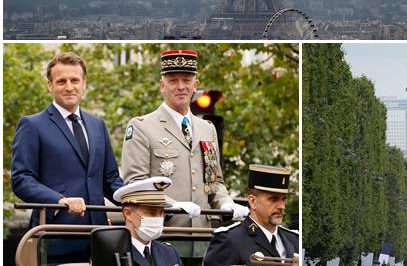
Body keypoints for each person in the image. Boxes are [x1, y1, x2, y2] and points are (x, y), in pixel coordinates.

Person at [11, 52, 124, 263]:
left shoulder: (98, 126)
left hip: (99, 235)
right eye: (61, 81)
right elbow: (21, 179)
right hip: (55, 234)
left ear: (84, 84)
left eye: (75, 80)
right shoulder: (32, 125)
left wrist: (135, 199)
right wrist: (59, 200)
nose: (69, 87)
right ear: (50, 86)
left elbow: (110, 179)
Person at [121, 49, 248, 228]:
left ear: (195, 85)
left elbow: (213, 181)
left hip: (202, 234)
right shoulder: (142, 126)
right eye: (173, 81)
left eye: (186, 80)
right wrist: (171, 205)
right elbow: (136, 184)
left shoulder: (207, 129)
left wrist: (225, 202)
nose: (181, 87)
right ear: (162, 86)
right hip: (163, 232)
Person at [203, 165, 299, 265]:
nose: (281, 206)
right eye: (273, 199)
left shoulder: (295, 240)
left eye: (284, 199)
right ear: (253, 201)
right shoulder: (230, 240)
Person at [113, 176, 183, 266]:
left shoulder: (169, 252)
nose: (158, 218)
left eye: (161, 213)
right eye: (152, 213)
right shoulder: (113, 253)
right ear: (128, 213)